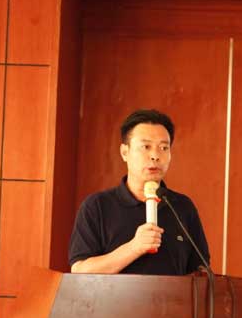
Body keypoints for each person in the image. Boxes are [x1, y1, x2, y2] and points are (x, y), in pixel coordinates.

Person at [68, 109, 210, 275]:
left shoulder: (182, 206)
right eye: (146, 147)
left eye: (164, 147)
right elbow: (80, 270)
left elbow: (201, 271)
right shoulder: (97, 206)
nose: (155, 155)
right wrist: (134, 248)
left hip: (173, 294)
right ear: (125, 152)